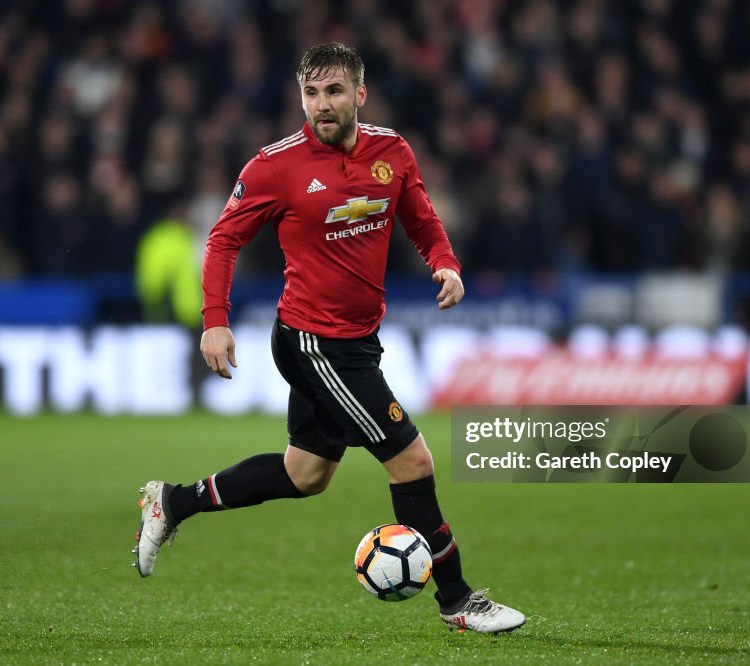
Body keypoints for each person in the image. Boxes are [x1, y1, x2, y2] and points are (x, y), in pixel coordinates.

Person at [131, 43, 526, 634]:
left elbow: (417, 214)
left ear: (359, 94)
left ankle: (172, 501)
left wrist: (444, 261)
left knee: (305, 475)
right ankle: (458, 601)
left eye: (334, 91)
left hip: (357, 340)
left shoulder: (391, 151)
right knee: (412, 460)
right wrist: (215, 319)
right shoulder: (274, 166)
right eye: (311, 93)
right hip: (314, 342)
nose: (322, 105)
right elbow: (221, 241)